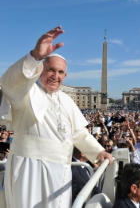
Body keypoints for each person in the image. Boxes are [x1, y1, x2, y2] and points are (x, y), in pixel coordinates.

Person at [0, 26, 113, 208]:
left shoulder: (66, 100)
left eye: (60, 72)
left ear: (65, 75)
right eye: (51, 70)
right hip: (30, 169)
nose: (55, 76)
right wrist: (34, 57)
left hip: (61, 171)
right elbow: (10, 83)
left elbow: (78, 134)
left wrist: (99, 151)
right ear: (40, 70)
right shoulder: (26, 91)